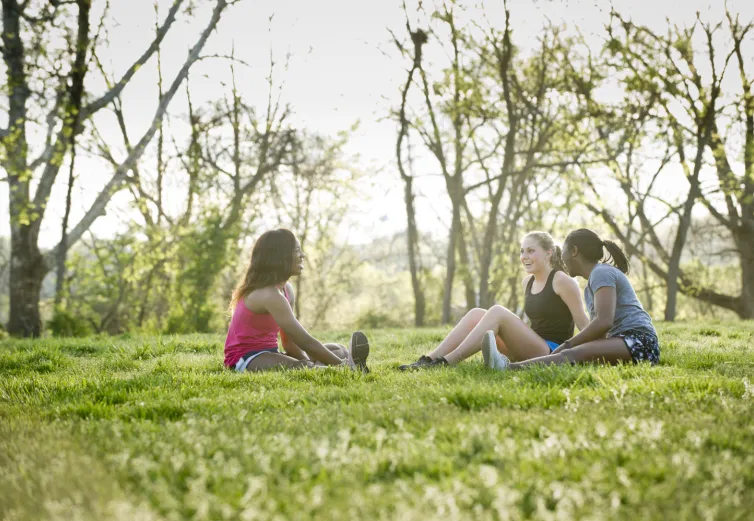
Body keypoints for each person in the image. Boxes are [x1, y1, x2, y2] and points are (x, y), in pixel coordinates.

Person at [399, 231, 589, 370]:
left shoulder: (563, 281)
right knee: (476, 314)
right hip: (530, 346)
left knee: (498, 311)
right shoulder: (527, 282)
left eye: (531, 251)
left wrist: (603, 346)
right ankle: (427, 360)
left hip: (550, 352)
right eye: (522, 252)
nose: (524, 257)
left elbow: (583, 322)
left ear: (548, 253)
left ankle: (446, 362)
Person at [482, 228, 659, 371]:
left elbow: (604, 321)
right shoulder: (593, 280)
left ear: (574, 251)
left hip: (639, 342)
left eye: (564, 251)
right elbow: (603, 329)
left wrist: (568, 344)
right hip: (624, 341)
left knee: (571, 354)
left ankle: (507, 368)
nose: (562, 258)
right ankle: (511, 365)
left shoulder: (601, 272)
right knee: (575, 354)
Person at [224, 228, 370, 372]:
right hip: (245, 358)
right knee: (302, 366)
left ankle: (328, 366)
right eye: (297, 251)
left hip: (271, 353)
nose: (303, 255)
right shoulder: (269, 295)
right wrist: (340, 365)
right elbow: (305, 341)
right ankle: (346, 368)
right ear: (280, 257)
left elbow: (289, 342)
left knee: (339, 350)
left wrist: (305, 359)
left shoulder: (286, 289)